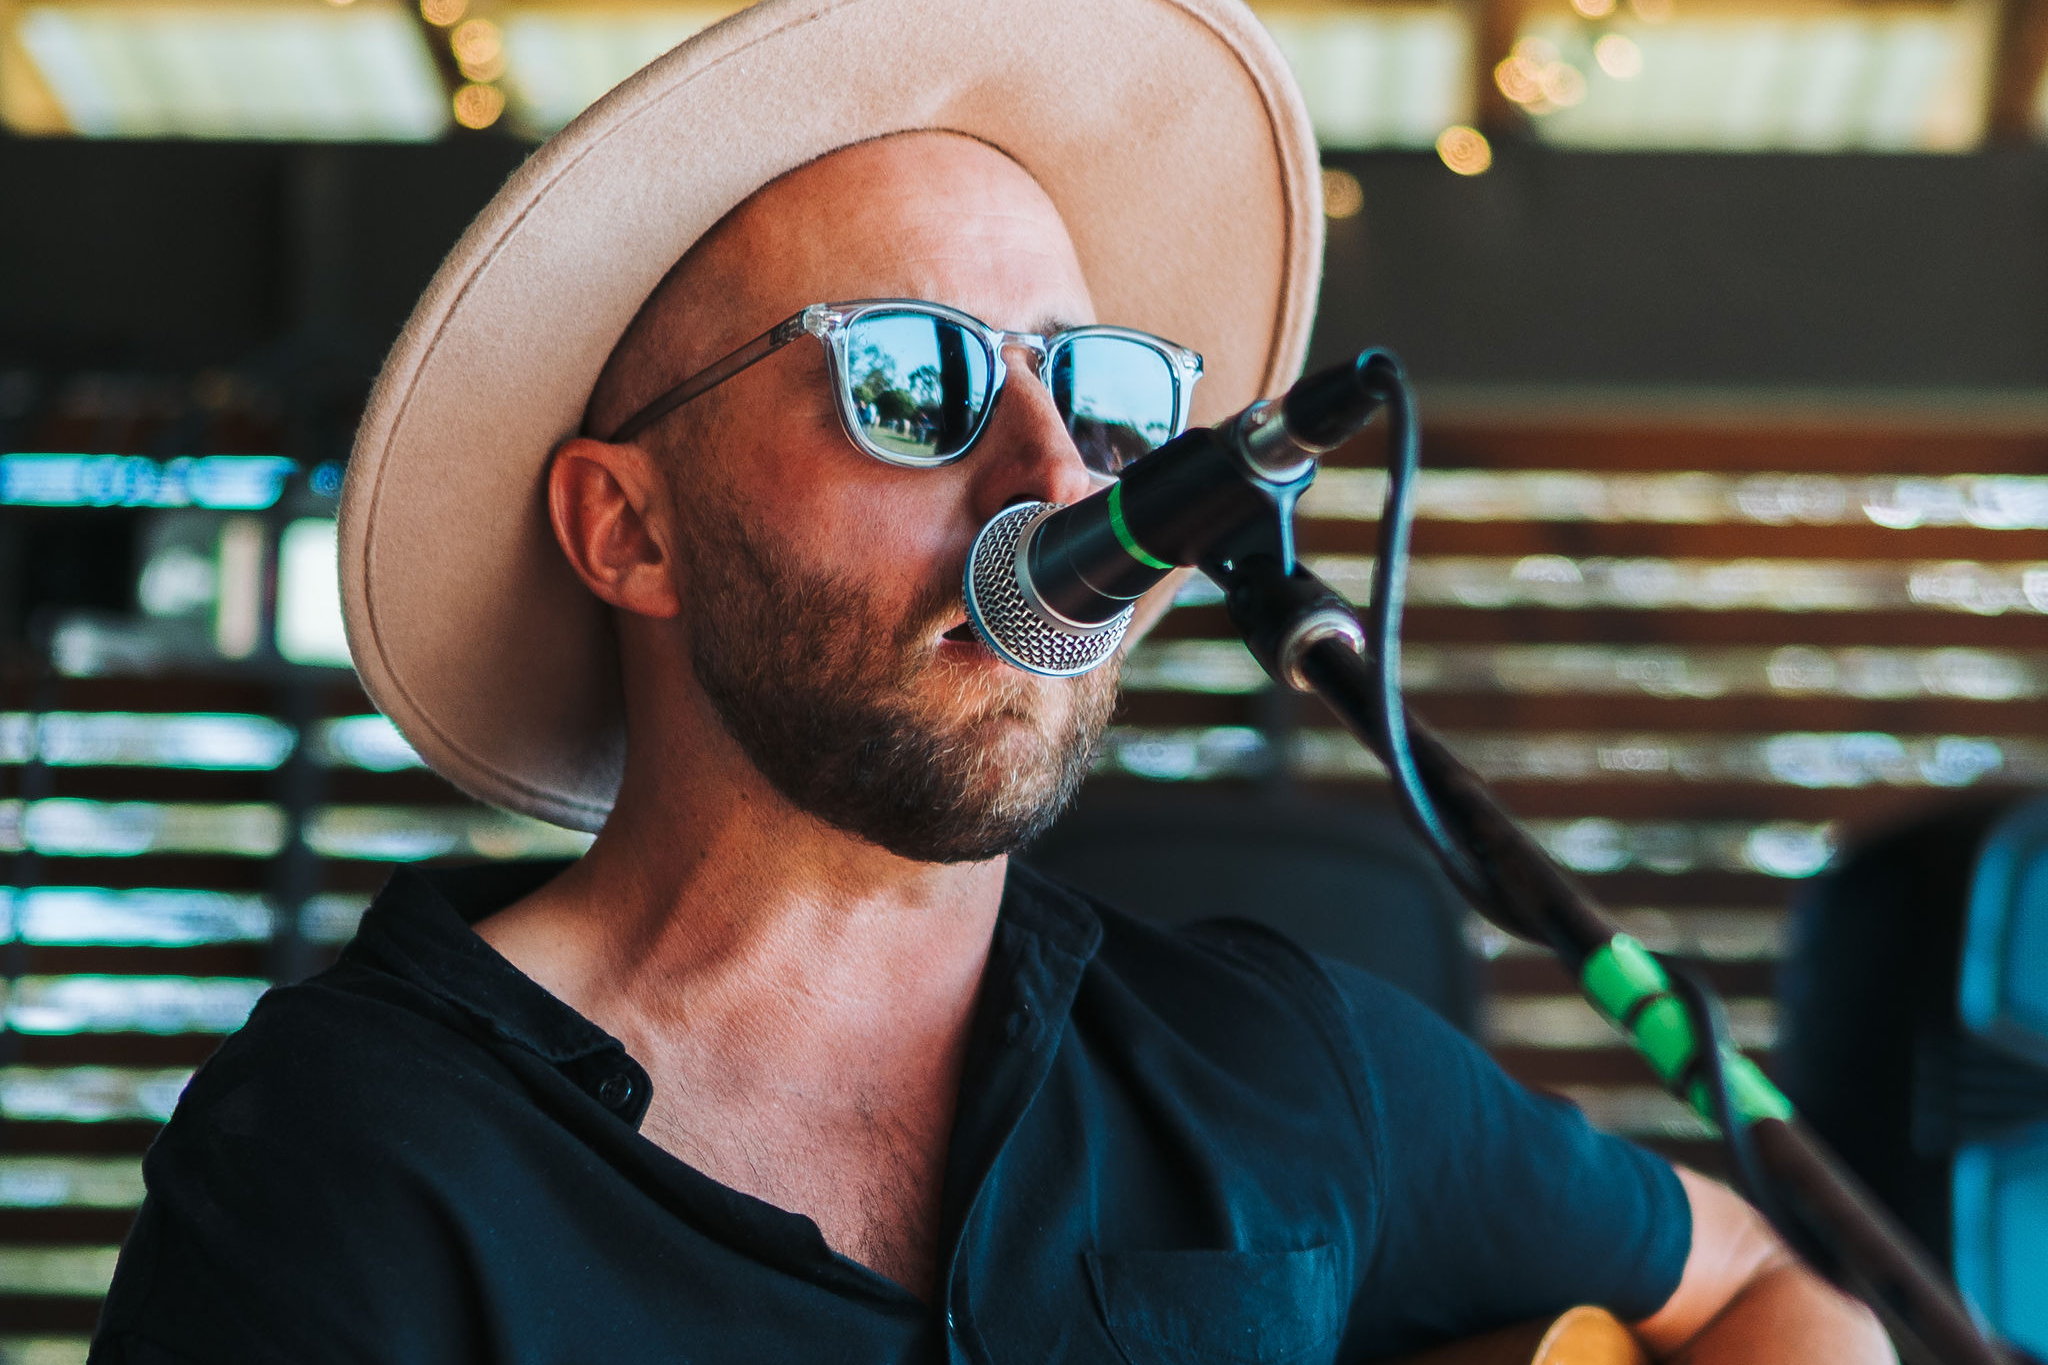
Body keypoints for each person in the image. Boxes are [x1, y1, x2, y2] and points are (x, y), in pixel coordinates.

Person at [92, 2, 1889, 1361]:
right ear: (630, 528)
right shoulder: (345, 1171)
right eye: (912, 378)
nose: (1050, 473)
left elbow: (1776, 1288)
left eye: (1096, 390)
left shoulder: (1277, 1061)